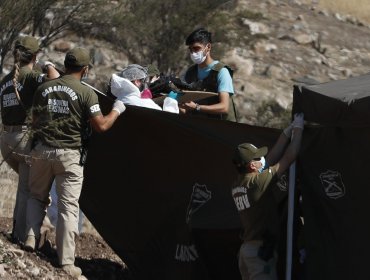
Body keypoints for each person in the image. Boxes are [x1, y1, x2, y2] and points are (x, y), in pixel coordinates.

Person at [24, 47, 126, 278]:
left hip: (42, 150)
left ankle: (30, 238)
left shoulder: (44, 88)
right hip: (69, 156)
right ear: (86, 69)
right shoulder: (86, 93)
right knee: (68, 208)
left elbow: (35, 120)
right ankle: (67, 262)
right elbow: (101, 126)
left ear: (66, 65)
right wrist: (117, 110)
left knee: (36, 196)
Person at [0, 35, 59, 244]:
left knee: (22, 186)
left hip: (6, 140)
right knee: (27, 189)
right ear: (34, 55)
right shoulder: (30, 76)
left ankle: (17, 229)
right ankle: (22, 235)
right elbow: (54, 80)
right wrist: (48, 64)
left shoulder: (6, 79)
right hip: (23, 140)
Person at [231, 113, 304, 280]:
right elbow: (288, 158)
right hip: (258, 253)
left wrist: (286, 133)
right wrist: (298, 130)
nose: (262, 159)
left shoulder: (238, 184)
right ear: (251, 165)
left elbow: (270, 159)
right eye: (258, 158)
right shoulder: (257, 182)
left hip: (247, 251)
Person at [181, 27, 238, 122]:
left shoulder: (221, 72)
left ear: (208, 47)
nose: (193, 53)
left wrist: (197, 107)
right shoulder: (190, 73)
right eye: (190, 49)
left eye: (196, 48)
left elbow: (224, 107)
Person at [110, 64, 179, 113]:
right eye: (143, 81)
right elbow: (167, 120)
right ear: (137, 81)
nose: (145, 84)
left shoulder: (117, 101)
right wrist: (171, 101)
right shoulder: (144, 103)